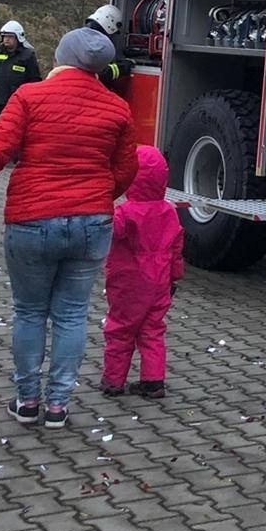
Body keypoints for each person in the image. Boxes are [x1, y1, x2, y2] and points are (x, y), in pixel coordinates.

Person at [0, 28, 137, 429]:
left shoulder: (30, 96)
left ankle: (27, 400)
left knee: (30, 311)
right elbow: (126, 171)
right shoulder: (117, 108)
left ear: (60, 57)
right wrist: (99, 195)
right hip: (92, 222)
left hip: (32, 219)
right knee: (72, 315)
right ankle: (58, 405)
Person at [100, 145, 183, 400]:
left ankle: (114, 381)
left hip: (129, 282)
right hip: (160, 283)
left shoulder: (126, 213)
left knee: (121, 330)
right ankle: (153, 382)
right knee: (152, 331)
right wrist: (174, 277)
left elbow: (110, 232)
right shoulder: (168, 211)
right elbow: (177, 247)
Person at [0, 21, 41, 128]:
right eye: (5, 36)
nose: (7, 39)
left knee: (14, 129)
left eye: (10, 36)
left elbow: (34, 79)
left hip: (17, 102)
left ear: (18, 38)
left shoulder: (28, 56)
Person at [85, 3, 130, 87]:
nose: (112, 36)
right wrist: (121, 68)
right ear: (109, 24)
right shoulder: (94, 42)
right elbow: (100, 75)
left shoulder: (82, 37)